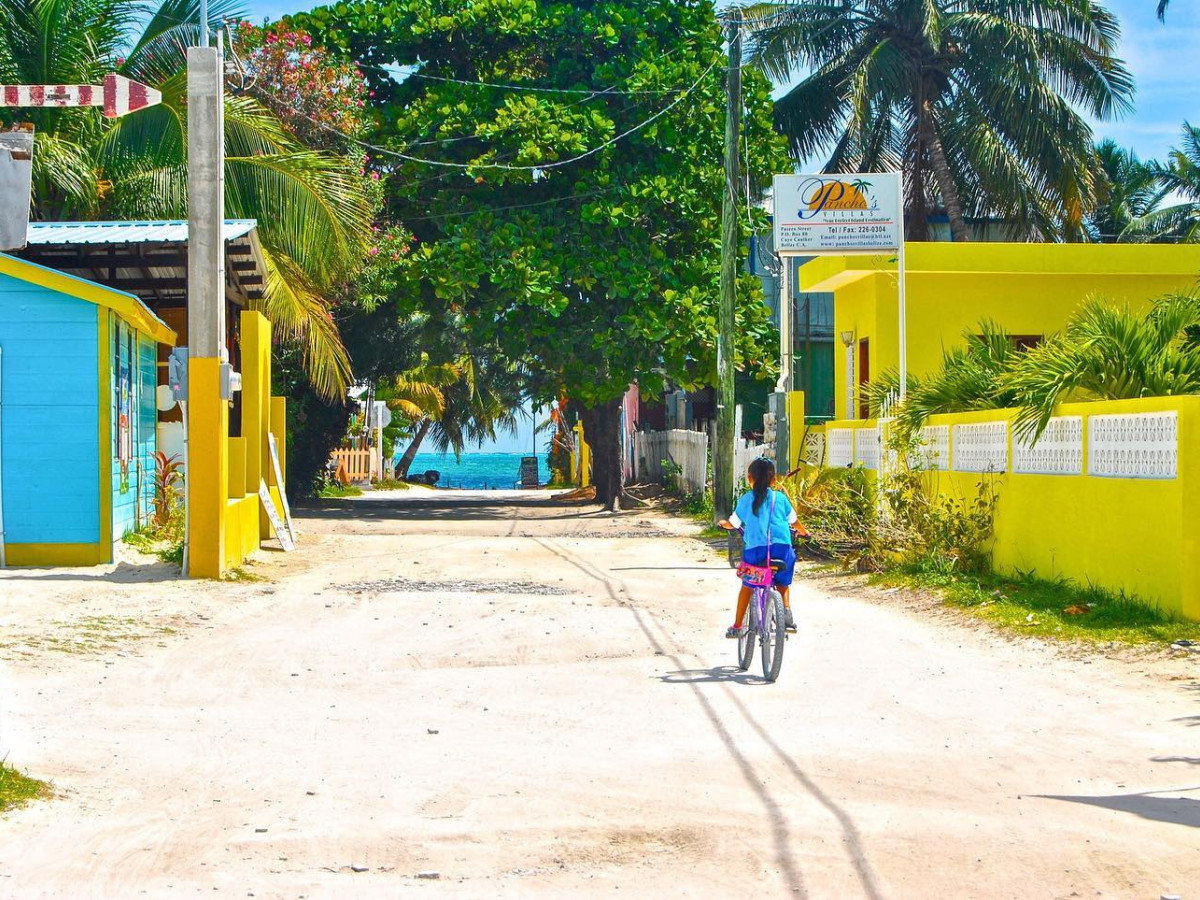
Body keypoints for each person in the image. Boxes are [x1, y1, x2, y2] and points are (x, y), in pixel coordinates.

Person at [718, 457, 805, 639]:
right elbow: (794, 522)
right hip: (782, 549)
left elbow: (733, 524)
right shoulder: (780, 498)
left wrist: (722, 524)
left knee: (748, 586)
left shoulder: (745, 500)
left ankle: (737, 625)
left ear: (749, 478)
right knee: (782, 581)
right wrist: (805, 532)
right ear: (773, 480)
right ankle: (786, 611)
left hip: (756, 551)